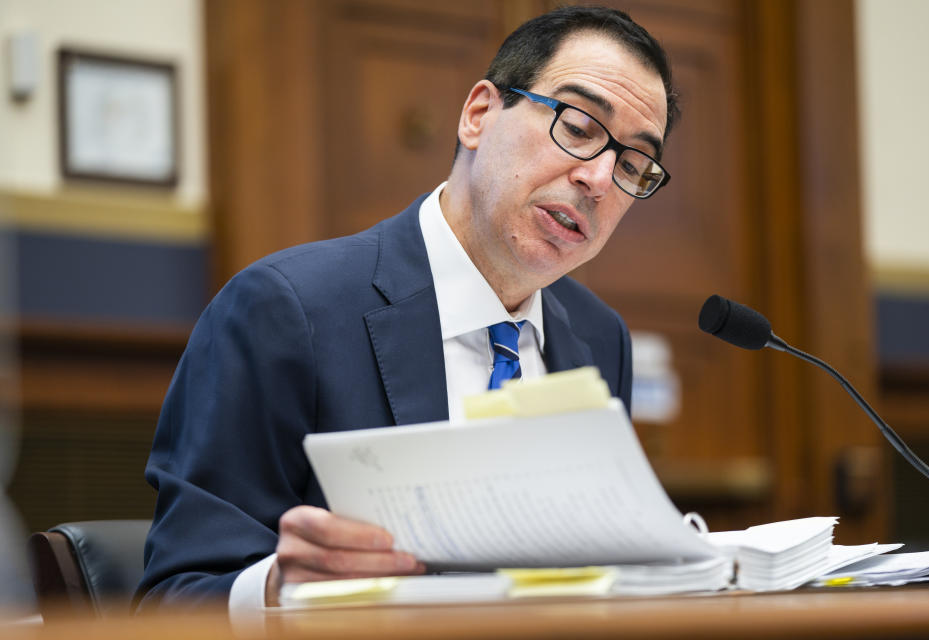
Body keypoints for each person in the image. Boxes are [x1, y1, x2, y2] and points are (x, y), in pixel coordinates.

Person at [136, 5, 677, 613]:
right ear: (479, 115)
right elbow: (172, 598)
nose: (600, 179)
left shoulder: (601, 340)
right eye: (578, 127)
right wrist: (275, 592)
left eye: (633, 165)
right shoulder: (285, 310)